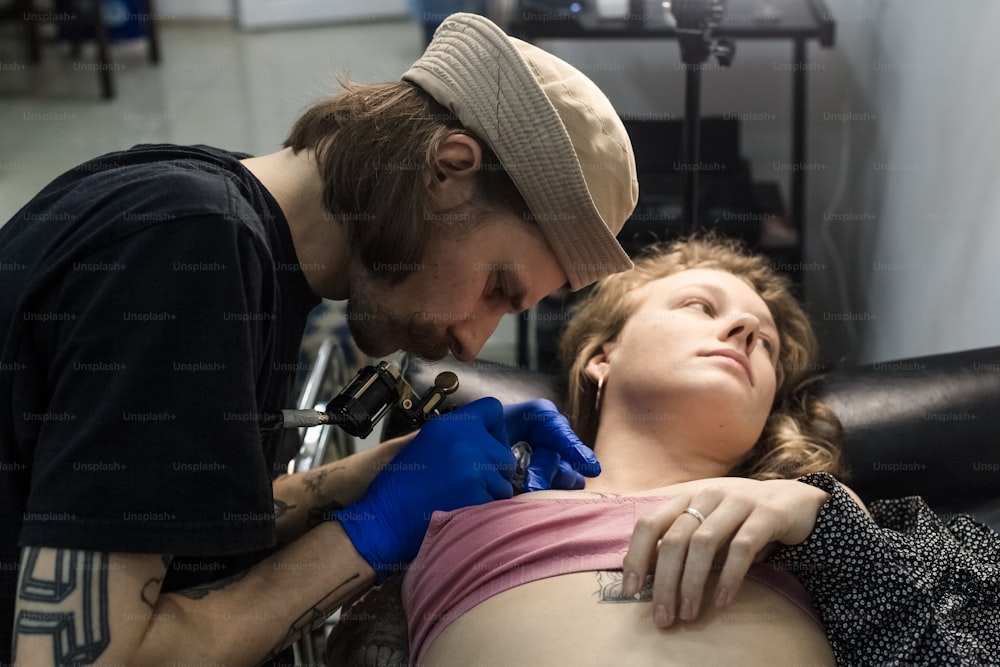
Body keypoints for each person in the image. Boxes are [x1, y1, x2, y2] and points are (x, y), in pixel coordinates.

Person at [0, 12, 638, 666]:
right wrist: (367, 536)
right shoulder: (188, 250)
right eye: (497, 288)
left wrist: (383, 470)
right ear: (448, 168)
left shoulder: (232, 235)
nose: (474, 345)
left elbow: (173, 531)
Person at [327, 235, 1000, 666]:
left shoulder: (813, 521)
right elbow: (240, 553)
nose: (740, 328)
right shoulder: (458, 495)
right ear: (602, 357)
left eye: (763, 342)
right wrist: (370, 472)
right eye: (698, 305)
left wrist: (817, 517)